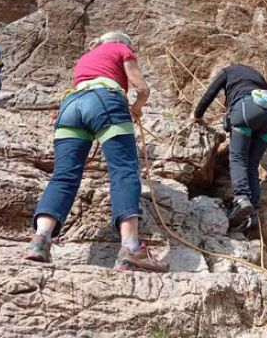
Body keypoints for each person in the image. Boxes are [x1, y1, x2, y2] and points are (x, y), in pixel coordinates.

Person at [24, 31, 169, 272]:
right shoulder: (121, 49)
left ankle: (40, 240)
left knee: (64, 175)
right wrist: (136, 107)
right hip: (105, 101)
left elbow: (84, 89)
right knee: (124, 170)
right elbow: (142, 88)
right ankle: (131, 249)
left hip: (70, 106)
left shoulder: (87, 57)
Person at [194, 64, 267, 231]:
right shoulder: (257, 76)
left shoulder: (229, 71)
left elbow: (211, 92)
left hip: (246, 109)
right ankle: (252, 213)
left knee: (238, 157)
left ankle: (241, 199)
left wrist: (197, 115)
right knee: (252, 165)